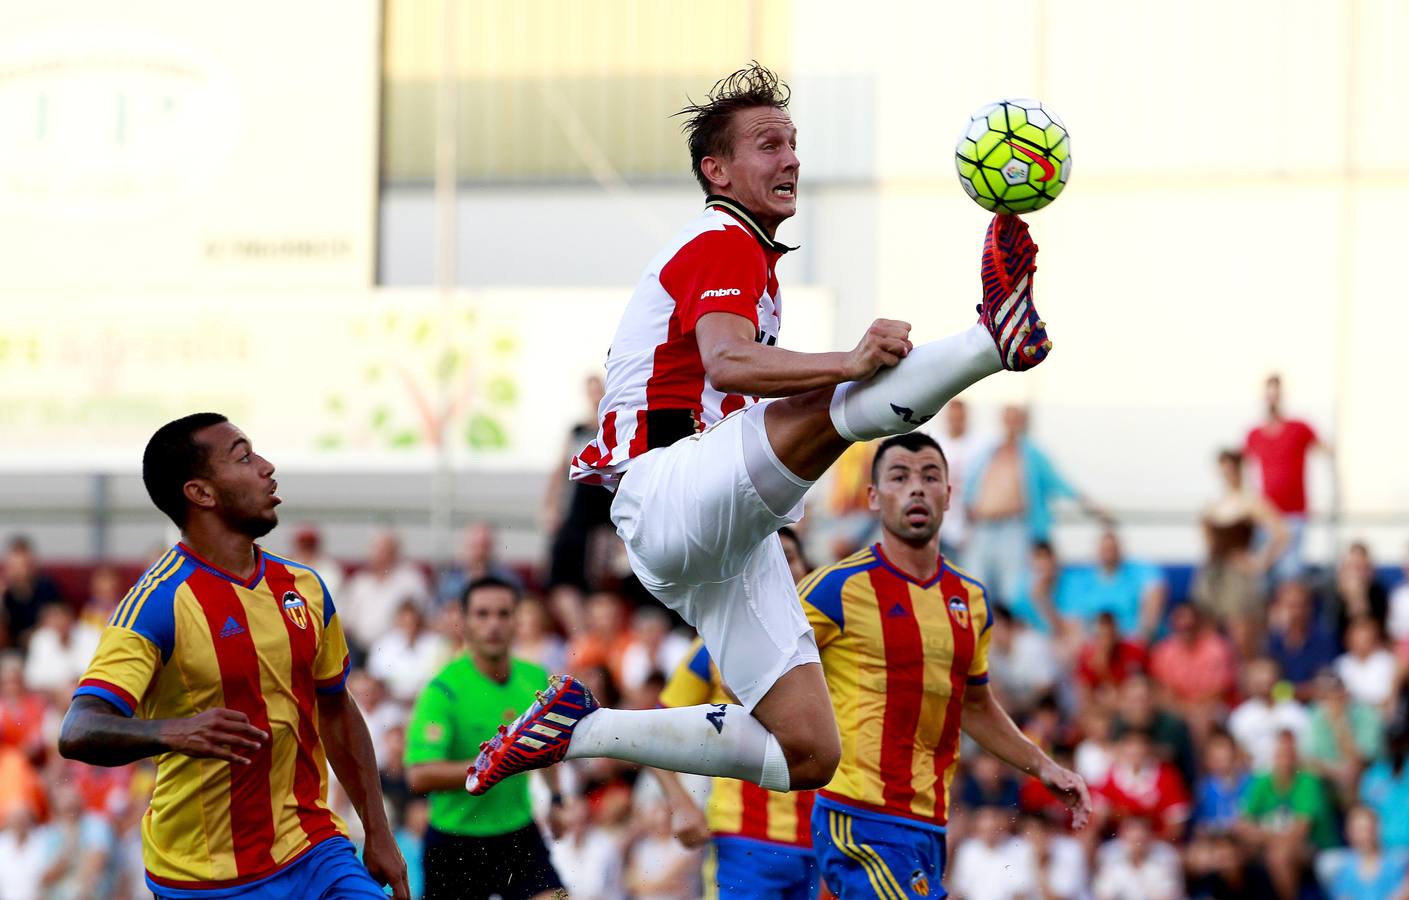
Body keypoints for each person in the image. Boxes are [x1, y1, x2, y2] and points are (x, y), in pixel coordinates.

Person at [468, 63, 1059, 802]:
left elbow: (729, 366)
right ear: (716, 171)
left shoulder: (750, 259)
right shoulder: (721, 241)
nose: (791, 160)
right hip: (669, 488)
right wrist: (847, 359)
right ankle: (989, 342)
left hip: (712, 536)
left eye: (792, 143)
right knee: (843, 392)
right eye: (768, 145)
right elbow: (729, 359)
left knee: (809, 752)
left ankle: (580, 730)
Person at [57, 412, 407, 899]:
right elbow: (78, 730)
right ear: (201, 493)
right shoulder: (157, 604)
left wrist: (379, 830)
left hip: (314, 850)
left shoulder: (303, 587)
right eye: (244, 457)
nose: (266, 467)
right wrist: (173, 731)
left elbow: (337, 708)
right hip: (204, 877)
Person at [799, 433, 1089, 898]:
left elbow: (973, 704)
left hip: (928, 823)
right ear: (874, 497)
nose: (916, 487)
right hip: (858, 815)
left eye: (930, 476)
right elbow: (764, 667)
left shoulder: (970, 598)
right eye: (899, 477)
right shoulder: (835, 588)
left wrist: (1042, 765)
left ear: (949, 495)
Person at [651, 526, 819, 900]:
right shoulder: (713, 645)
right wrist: (680, 803)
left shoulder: (835, 646)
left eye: (789, 559)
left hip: (822, 841)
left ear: (809, 571)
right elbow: (659, 724)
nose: (781, 571)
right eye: (769, 563)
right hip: (743, 839)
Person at [403, 576, 567, 900]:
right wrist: (495, 763)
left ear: (517, 620)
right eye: (482, 614)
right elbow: (419, 776)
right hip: (455, 843)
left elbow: (547, 744)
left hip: (519, 835)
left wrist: (556, 799)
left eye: (503, 614)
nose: (494, 624)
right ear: (462, 622)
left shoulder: (535, 677)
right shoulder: (443, 690)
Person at [964, 406, 1108, 605]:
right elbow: (968, 487)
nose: (1012, 425)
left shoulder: (1032, 455)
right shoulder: (988, 452)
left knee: (1012, 589)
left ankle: (1011, 632)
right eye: (1008, 419)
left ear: (1023, 423)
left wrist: (1091, 507)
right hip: (982, 528)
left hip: (1013, 527)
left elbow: (1060, 483)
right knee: (974, 584)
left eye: (1016, 419)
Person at [1191, 448, 1286, 656]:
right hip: (1214, 572)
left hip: (1238, 573)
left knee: (1241, 634)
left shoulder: (1251, 502)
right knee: (1208, 631)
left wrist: (1260, 562)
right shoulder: (1214, 504)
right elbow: (1207, 537)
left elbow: (1281, 534)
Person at [1243, 373, 1329, 583]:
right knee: (1261, 577)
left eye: (1276, 393)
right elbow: (1243, 470)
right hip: (1266, 518)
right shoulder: (1254, 434)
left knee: (1289, 574)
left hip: (1294, 516)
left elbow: (1326, 452)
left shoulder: (1299, 428)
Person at [1239, 730, 1339, 898]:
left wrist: (1262, 835)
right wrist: (1266, 837)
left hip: (1314, 846)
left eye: (1289, 755)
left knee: (1279, 856)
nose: (1285, 761)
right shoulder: (1262, 781)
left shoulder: (1308, 781)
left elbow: (1301, 831)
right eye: (1280, 755)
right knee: (1233, 857)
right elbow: (1243, 823)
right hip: (1273, 843)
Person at [1058, 529, 1167, 641]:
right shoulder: (1080, 581)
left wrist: (1141, 636)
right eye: (1105, 549)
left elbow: (1155, 592)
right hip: (1094, 643)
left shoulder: (1139, 572)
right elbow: (1071, 621)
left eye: (1112, 549)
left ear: (1120, 549)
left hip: (1131, 641)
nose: (1109, 553)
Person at [340, 530, 433, 659]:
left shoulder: (411, 581)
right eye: (378, 549)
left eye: (387, 550)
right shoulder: (359, 583)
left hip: (397, 648)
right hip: (359, 649)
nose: (382, 555)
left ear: (396, 552)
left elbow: (422, 617)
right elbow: (347, 622)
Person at [1266, 579, 1339, 699]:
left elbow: (1324, 685)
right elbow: (1266, 687)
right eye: (1290, 606)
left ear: (1309, 608)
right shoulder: (1271, 642)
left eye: (1300, 606)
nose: (1295, 613)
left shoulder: (1324, 640)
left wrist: (1287, 692)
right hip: (1281, 706)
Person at [1325, 805, 1409, 900]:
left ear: (1377, 829)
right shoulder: (1343, 868)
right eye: (1359, 830)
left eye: (1368, 829)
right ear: (1348, 832)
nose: (1365, 835)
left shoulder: (1395, 862)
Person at [1, 535, 62, 649]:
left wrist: (33, 634)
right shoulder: (5, 593)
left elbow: (59, 617)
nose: (20, 571)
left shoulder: (46, 587)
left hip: (43, 646)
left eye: (24, 565)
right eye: (15, 565)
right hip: (10, 650)